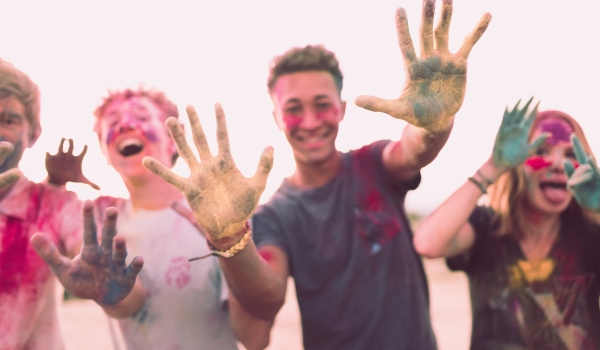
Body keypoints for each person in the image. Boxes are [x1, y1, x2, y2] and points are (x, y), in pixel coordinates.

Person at [142, 0, 492, 348]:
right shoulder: (275, 215)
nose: (310, 122)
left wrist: (437, 122)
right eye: (294, 109)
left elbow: (414, 149)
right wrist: (228, 238)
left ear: (340, 109)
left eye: (322, 105)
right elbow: (262, 313)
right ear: (277, 117)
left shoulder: (373, 164)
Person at [34, 86, 270, 350]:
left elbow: (254, 339)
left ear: (173, 139)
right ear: (104, 153)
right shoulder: (102, 217)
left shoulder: (221, 215)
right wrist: (54, 182)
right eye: (112, 123)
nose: (124, 125)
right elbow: (44, 219)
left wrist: (229, 241)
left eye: (142, 117)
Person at [413, 99, 600, 349]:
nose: (558, 164)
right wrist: (493, 167)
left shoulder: (590, 233)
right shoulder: (486, 226)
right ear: (517, 165)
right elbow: (428, 243)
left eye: (570, 154)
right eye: (541, 151)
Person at [0, 58, 92, 350]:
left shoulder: (55, 204)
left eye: (9, 120)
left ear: (34, 134)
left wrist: (93, 266)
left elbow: (87, 248)